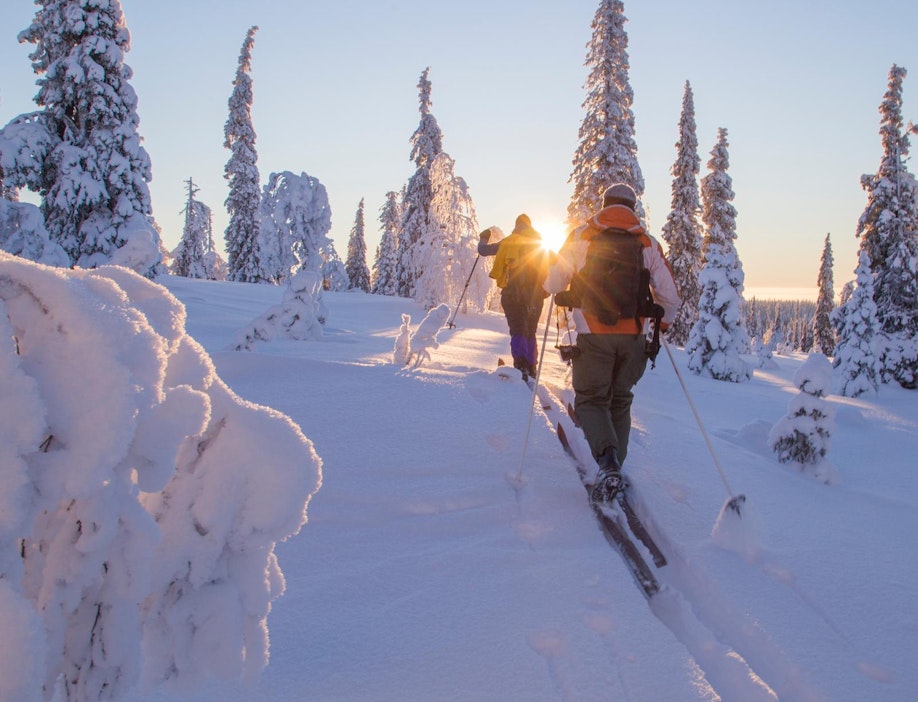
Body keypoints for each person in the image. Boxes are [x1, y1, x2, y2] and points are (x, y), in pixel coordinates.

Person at [544, 184, 680, 502]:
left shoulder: (582, 236)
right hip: (634, 338)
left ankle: (608, 465)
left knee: (591, 400)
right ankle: (615, 467)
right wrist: (662, 324)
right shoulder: (647, 242)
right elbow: (670, 296)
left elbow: (552, 281)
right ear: (634, 206)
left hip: (593, 333)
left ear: (604, 203)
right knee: (620, 399)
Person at [478, 214, 551, 381]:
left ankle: (520, 365)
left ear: (516, 226)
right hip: (536, 296)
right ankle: (532, 367)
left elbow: (483, 251)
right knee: (531, 331)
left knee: (518, 329)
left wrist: (484, 237)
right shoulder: (541, 245)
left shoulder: (508, 242)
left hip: (513, 295)